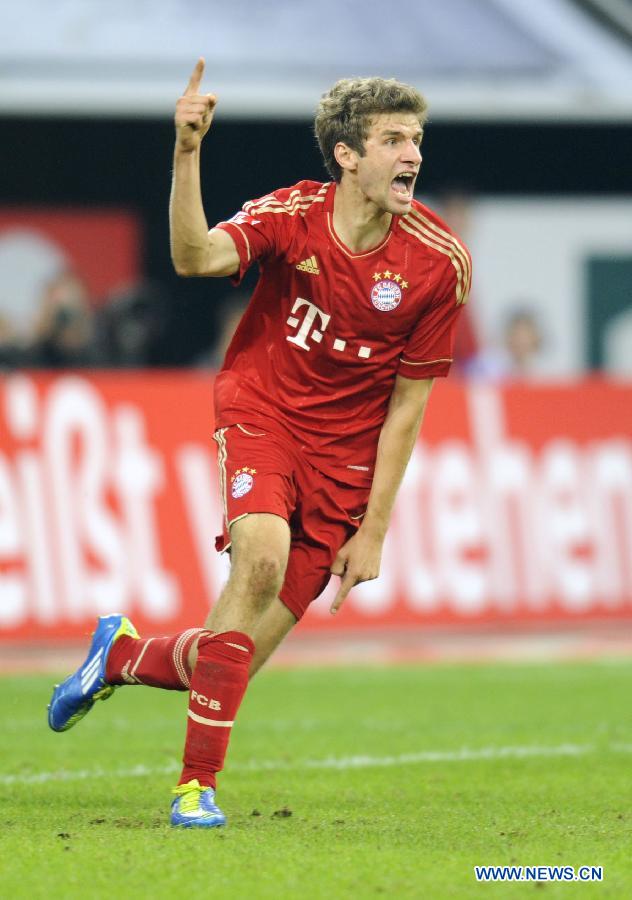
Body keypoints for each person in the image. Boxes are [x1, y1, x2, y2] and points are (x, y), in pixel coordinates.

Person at [48, 58, 471, 828]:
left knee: (233, 651)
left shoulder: (438, 264)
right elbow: (194, 257)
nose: (412, 154)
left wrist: (373, 528)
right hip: (263, 414)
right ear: (347, 154)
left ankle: (119, 657)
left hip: (344, 464)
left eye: (417, 139)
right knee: (262, 559)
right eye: (393, 140)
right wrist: (186, 152)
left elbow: (409, 407)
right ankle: (194, 790)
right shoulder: (292, 216)